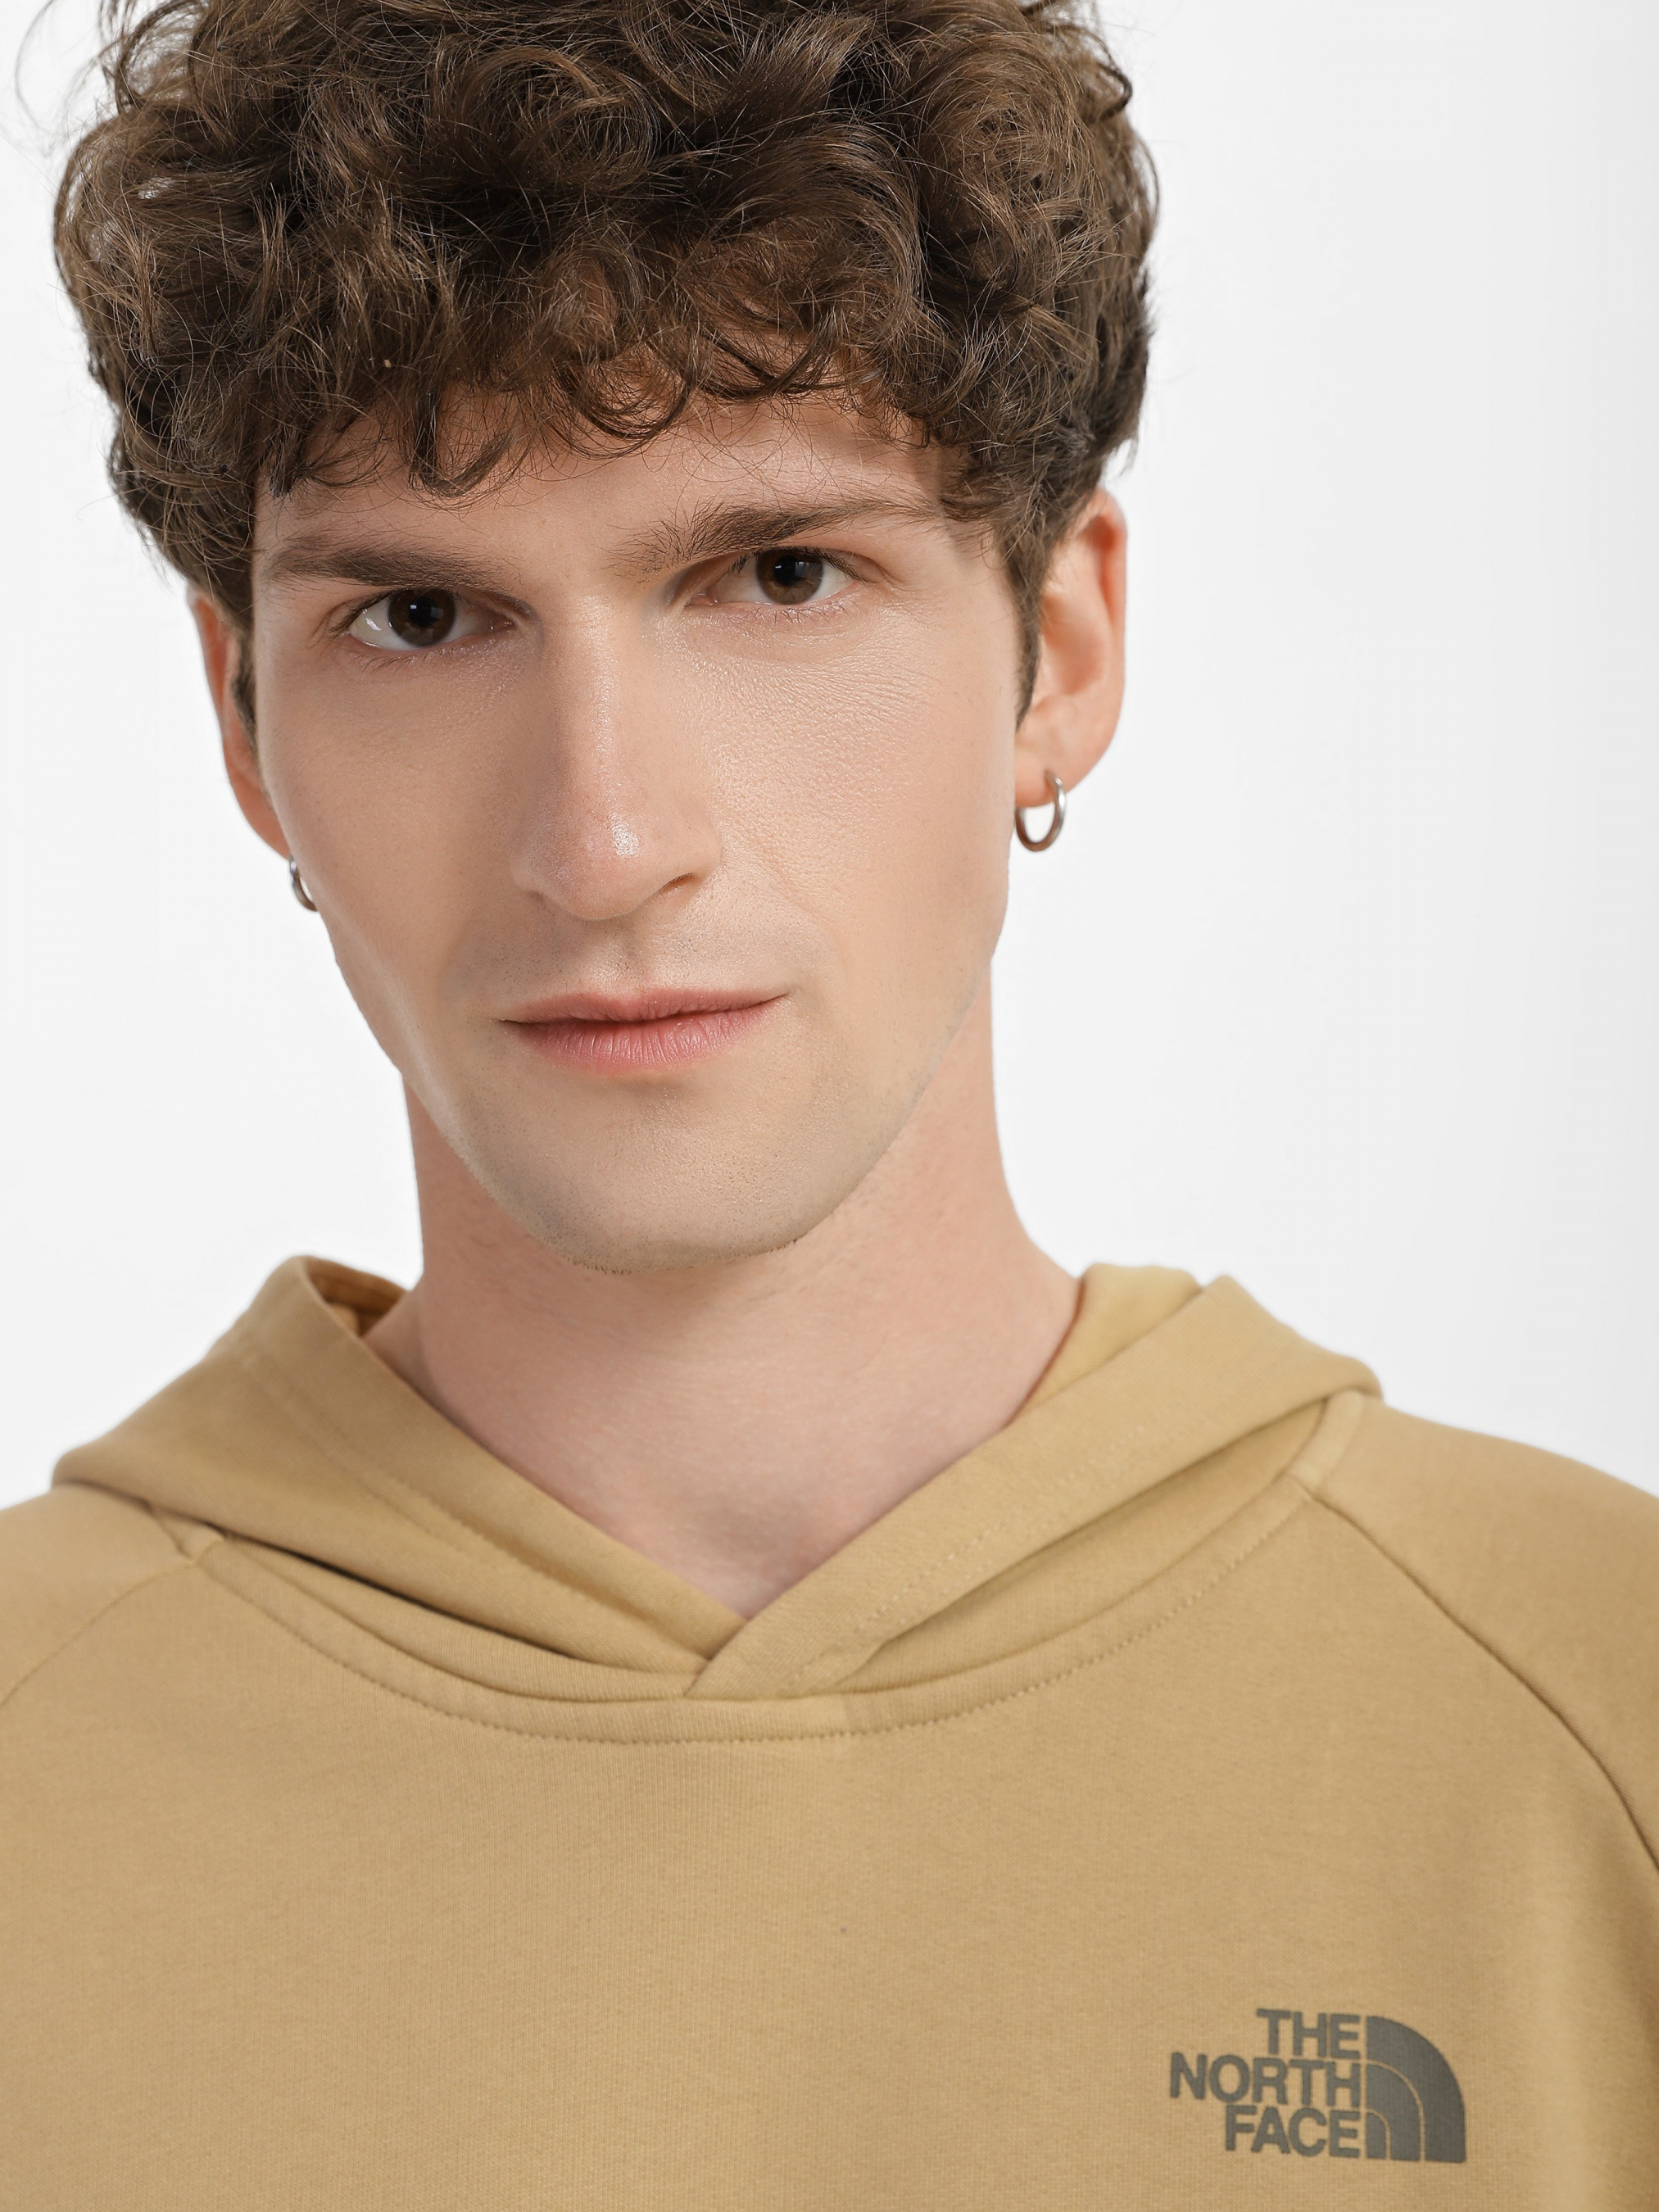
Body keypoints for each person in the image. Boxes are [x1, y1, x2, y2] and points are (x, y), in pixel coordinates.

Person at [3, 0, 1655, 2198]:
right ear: (243, 725)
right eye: (419, 616)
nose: (605, 845)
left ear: (1059, 650)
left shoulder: (1598, 1711)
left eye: (780, 575)